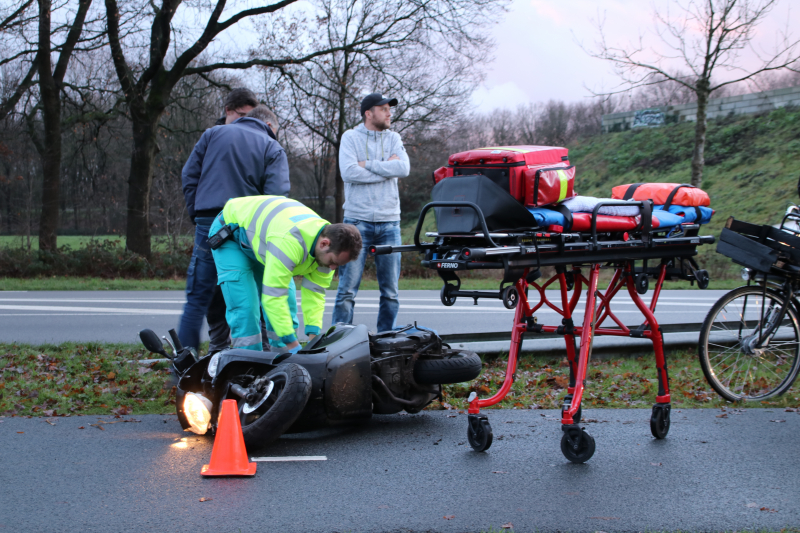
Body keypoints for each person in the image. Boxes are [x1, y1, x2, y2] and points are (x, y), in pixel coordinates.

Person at [178, 90, 291, 353]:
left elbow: (189, 175)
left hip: (210, 223)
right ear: (269, 126)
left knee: (198, 297)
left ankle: (187, 366)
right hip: (248, 227)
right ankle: (263, 355)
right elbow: (277, 198)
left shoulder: (212, 134)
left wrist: (198, 214)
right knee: (256, 288)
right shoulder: (272, 146)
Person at [208, 196, 362, 352]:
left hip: (265, 239)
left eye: (338, 265)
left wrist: (313, 338)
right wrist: (293, 346)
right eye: (333, 261)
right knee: (246, 307)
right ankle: (248, 367)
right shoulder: (289, 242)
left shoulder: (329, 247)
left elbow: (314, 294)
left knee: (287, 304)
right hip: (231, 233)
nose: (333, 267)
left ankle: (283, 365)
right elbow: (273, 297)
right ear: (324, 244)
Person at [332, 92, 410, 332]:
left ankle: (386, 341)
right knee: (347, 289)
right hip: (357, 222)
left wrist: (369, 164)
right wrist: (388, 168)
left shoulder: (394, 137)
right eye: (384, 108)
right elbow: (349, 173)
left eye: (389, 108)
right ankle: (339, 343)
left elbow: (404, 168)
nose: (389, 113)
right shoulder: (351, 137)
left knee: (391, 292)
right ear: (369, 113)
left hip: (390, 223)